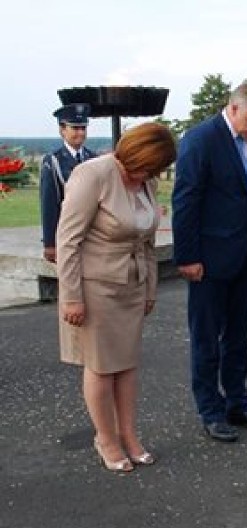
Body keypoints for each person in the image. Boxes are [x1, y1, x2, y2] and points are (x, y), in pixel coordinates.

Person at [55, 122, 176, 473]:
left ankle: (129, 435)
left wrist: (150, 288)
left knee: (127, 366)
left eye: (155, 170)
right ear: (132, 155)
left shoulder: (147, 181)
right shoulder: (92, 175)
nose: (149, 176)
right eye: (146, 167)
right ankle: (105, 438)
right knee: (102, 367)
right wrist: (71, 297)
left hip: (132, 286)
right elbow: (68, 241)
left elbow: (148, 241)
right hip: (95, 289)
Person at [171, 78, 247, 443]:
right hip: (209, 260)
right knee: (206, 339)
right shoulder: (201, 140)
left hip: (246, 256)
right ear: (234, 108)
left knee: (238, 337)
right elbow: (186, 200)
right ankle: (211, 410)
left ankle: (238, 402)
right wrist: (187, 256)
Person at [40, 103, 98, 263]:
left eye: (83, 128)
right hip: (66, 234)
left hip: (93, 236)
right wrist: (50, 243)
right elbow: (49, 204)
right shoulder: (53, 161)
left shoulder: (94, 158)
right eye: (75, 128)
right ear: (62, 130)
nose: (80, 133)